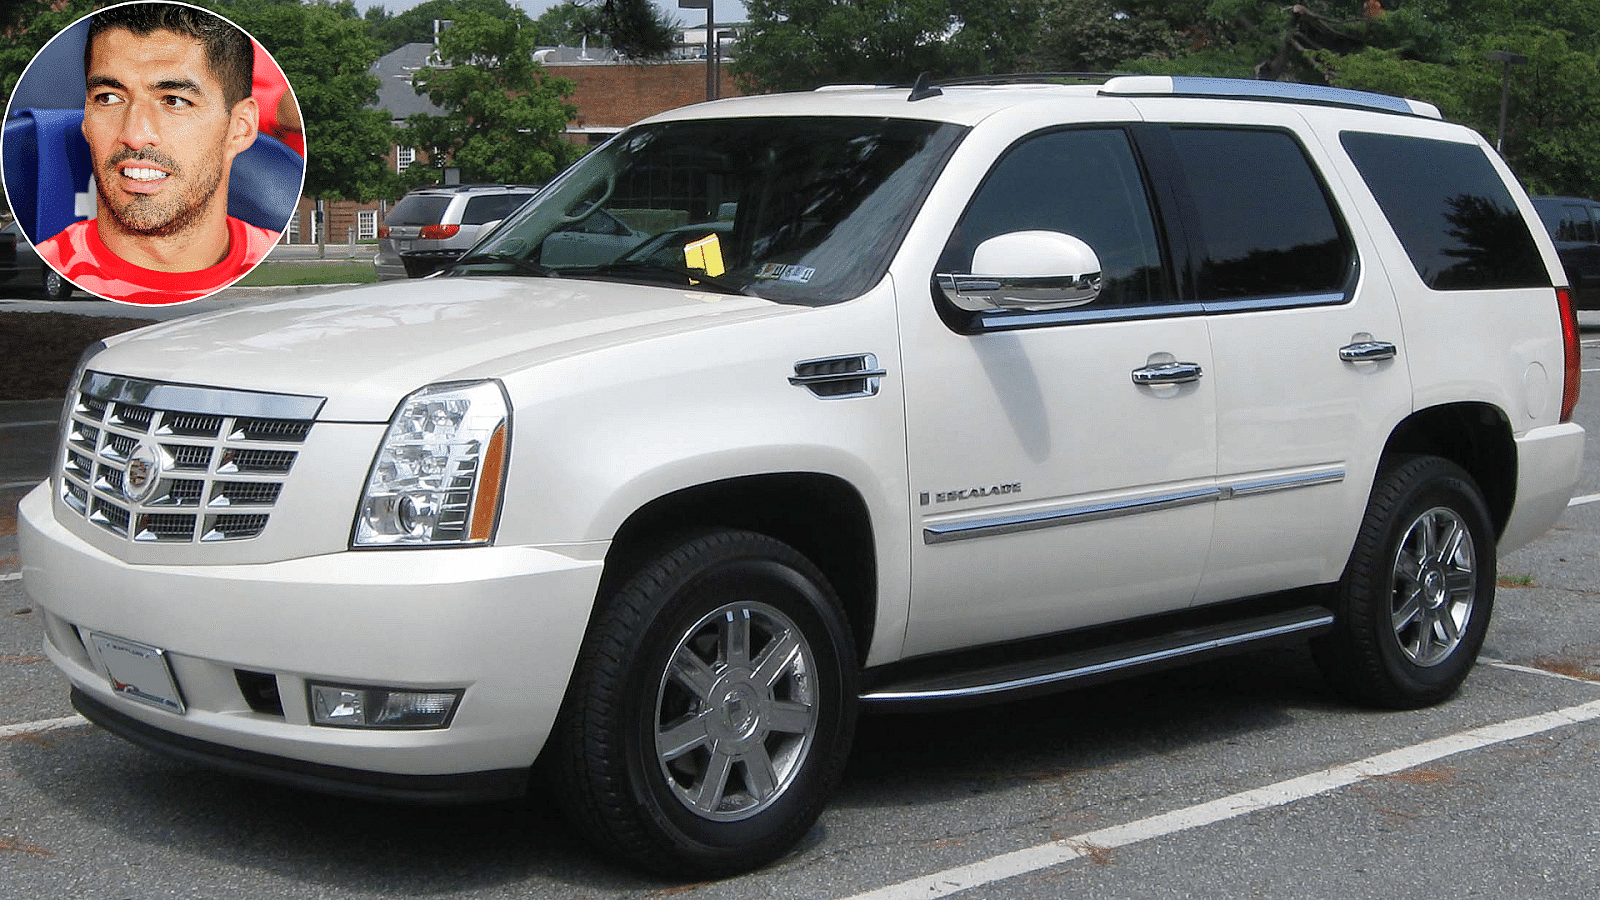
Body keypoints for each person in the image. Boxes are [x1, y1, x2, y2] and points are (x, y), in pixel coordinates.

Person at [36, 2, 279, 305]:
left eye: (175, 101)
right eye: (109, 98)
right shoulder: (47, 267)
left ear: (240, 128)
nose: (135, 136)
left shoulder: (272, 268)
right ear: (85, 118)